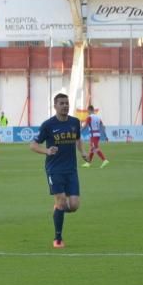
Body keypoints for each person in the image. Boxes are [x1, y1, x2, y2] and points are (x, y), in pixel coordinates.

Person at [30, 93, 87, 248]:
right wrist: (47, 151)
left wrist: (82, 152)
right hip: (54, 169)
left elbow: (78, 139)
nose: (65, 106)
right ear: (55, 106)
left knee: (74, 205)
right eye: (61, 103)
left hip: (71, 170)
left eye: (66, 103)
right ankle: (58, 239)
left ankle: (57, 210)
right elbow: (33, 145)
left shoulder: (75, 122)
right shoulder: (48, 125)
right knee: (62, 200)